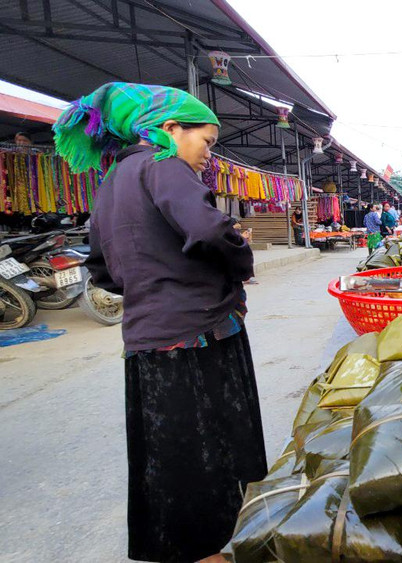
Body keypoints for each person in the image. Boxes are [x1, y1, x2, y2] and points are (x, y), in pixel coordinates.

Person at [53, 83, 265, 562]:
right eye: (206, 141)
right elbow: (210, 228)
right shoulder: (164, 165)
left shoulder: (113, 181)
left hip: (148, 339)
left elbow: (101, 266)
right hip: (199, 334)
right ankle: (212, 553)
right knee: (210, 446)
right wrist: (239, 258)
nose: (209, 154)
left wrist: (149, 288)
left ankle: (191, 552)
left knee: (172, 453)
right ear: (170, 129)